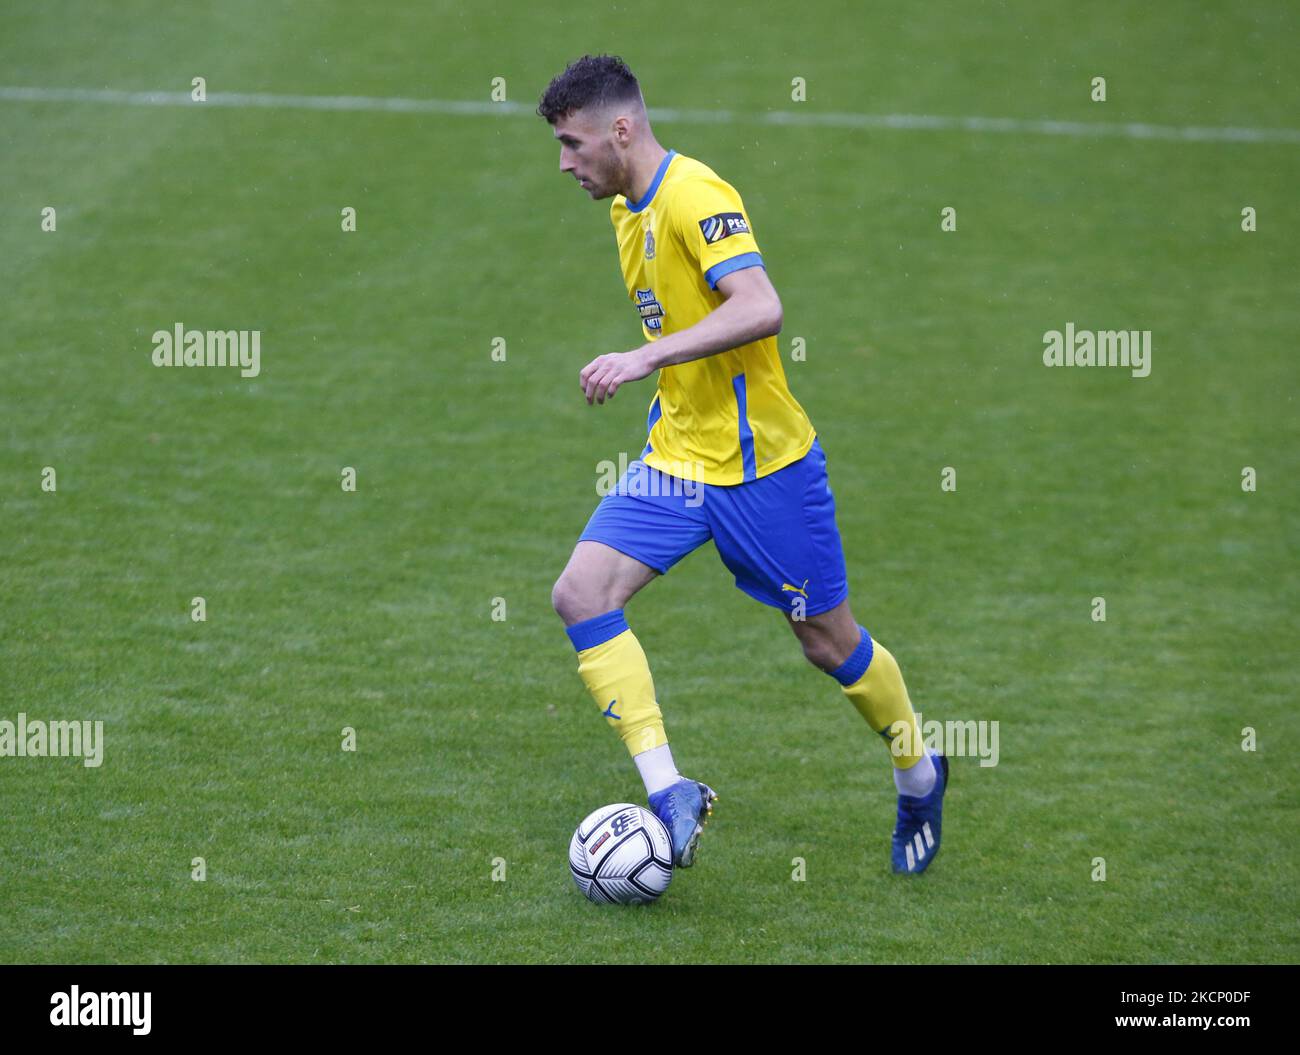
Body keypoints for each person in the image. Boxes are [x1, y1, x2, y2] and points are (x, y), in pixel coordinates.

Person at [537, 54, 947, 874]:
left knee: (828, 643)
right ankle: (668, 790)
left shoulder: (697, 196)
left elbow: (761, 307)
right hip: (678, 459)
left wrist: (644, 358)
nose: (564, 163)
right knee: (580, 593)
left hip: (766, 470)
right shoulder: (624, 210)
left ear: (621, 129)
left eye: (574, 144)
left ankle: (919, 769)